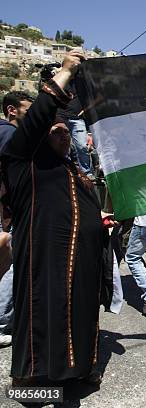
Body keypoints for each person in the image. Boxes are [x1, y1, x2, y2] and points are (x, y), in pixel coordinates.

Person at [1, 50, 114, 384]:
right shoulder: (24, 159)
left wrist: (101, 216)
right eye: (55, 131)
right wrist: (66, 71)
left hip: (82, 260)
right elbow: (39, 115)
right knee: (43, 318)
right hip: (45, 259)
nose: (63, 135)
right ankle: (33, 387)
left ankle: (76, 374)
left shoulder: (71, 169)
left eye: (67, 132)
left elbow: (83, 204)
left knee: (79, 314)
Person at [0, 91, 33, 348]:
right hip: (8, 209)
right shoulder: (11, 135)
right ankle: (2, 323)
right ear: (12, 110)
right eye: (26, 109)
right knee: (12, 263)